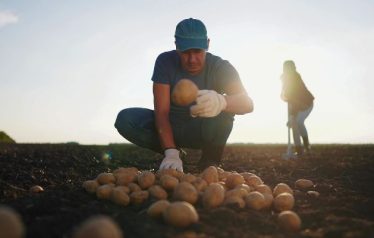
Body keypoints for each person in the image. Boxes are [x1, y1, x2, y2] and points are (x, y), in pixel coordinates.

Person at [115, 18, 253, 172]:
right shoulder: (165, 62)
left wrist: (222, 101)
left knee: (226, 111)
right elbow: (162, 113)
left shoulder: (220, 67)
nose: (192, 59)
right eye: (186, 52)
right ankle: (175, 153)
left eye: (198, 51)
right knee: (125, 120)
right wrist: (170, 151)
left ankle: (210, 161)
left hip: (203, 130)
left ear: (207, 44)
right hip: (172, 126)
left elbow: (248, 103)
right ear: (176, 46)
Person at [280, 60, 314, 156]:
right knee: (294, 123)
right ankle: (299, 150)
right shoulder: (284, 79)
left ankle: (307, 147)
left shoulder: (295, 78)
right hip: (295, 105)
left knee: (298, 121)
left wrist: (292, 116)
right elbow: (285, 96)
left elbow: (293, 98)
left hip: (307, 104)